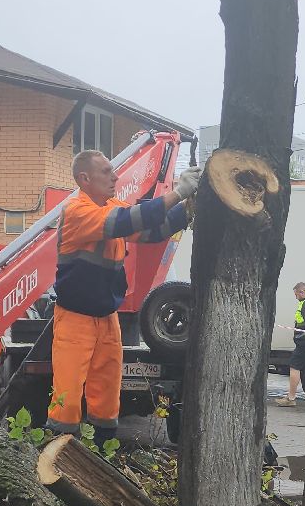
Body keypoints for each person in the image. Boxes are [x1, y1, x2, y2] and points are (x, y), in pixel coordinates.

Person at [47, 151, 196, 442]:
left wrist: (187, 209)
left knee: (107, 391)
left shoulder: (111, 208)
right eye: (106, 172)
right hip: (75, 319)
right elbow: (129, 220)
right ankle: (59, 449)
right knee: (66, 394)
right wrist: (178, 193)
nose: (115, 177)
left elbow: (153, 231)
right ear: (84, 179)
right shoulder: (78, 211)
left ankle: (103, 448)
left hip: (106, 318)